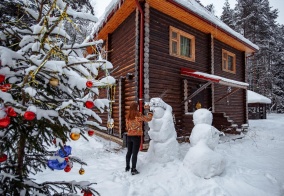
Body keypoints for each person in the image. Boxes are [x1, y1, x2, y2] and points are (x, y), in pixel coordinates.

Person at [125, 101, 153, 175]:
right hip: (136, 137)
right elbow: (148, 119)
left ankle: (127, 167)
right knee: (134, 153)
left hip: (129, 136)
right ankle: (133, 169)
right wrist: (150, 111)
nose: (138, 108)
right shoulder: (138, 115)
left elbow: (127, 127)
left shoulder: (128, 116)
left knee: (129, 152)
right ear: (136, 107)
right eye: (137, 107)